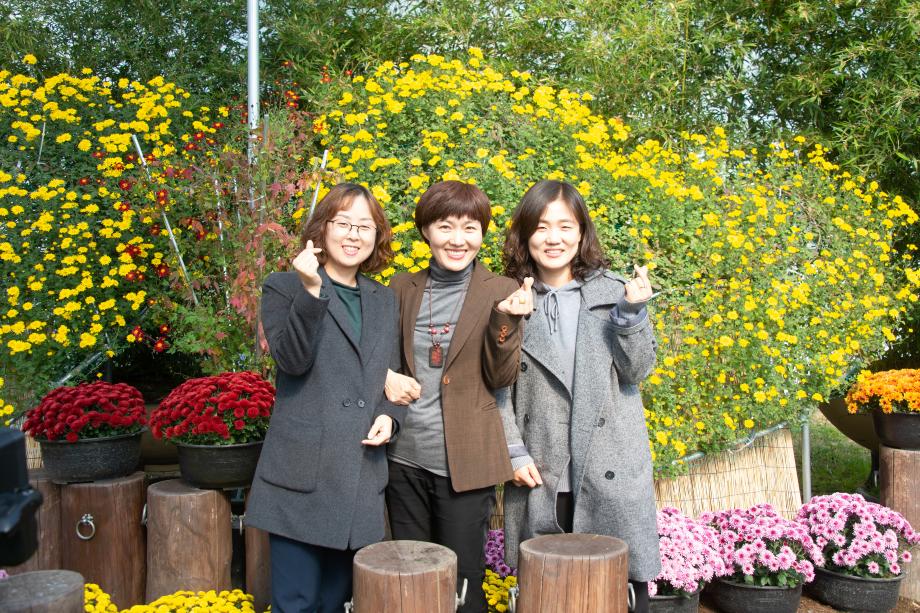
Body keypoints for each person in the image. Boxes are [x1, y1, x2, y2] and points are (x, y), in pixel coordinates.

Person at [499, 180, 660, 613]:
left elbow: (637, 370)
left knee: (621, 593)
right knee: (548, 594)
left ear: (582, 232)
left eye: (565, 226)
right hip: (541, 469)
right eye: (541, 227)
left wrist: (631, 315)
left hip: (610, 467)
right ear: (525, 235)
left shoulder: (615, 292)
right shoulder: (507, 298)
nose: (553, 238)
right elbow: (494, 387)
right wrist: (512, 451)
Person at [245, 183, 405, 613]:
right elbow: (292, 360)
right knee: (295, 603)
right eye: (343, 223)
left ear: (376, 236)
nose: (354, 235)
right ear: (323, 228)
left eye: (365, 226)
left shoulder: (384, 299)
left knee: (338, 602)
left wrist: (389, 417)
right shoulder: (284, 287)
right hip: (302, 475)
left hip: (359, 474)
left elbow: (390, 375)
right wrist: (312, 290)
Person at [383, 180, 533, 613]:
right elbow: (381, 358)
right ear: (425, 231)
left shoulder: (500, 290)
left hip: (467, 463)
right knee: (412, 580)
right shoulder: (401, 288)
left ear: (482, 234)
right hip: (403, 458)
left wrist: (505, 320)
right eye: (445, 226)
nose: (457, 239)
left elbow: (501, 377)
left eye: (470, 228)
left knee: (463, 584)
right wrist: (385, 376)